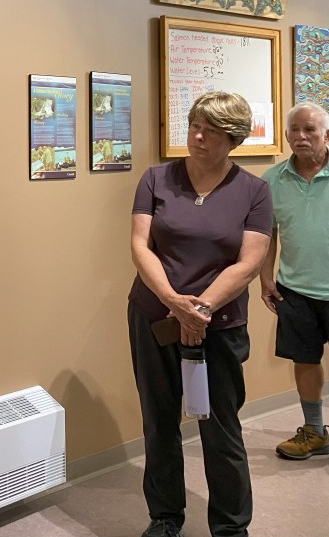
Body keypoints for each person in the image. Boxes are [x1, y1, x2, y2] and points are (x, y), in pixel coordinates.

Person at [128, 92, 272, 537]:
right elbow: (140, 245)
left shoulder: (254, 191)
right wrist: (174, 301)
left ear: (234, 140)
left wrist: (200, 310)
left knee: (220, 426)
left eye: (211, 131)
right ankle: (165, 518)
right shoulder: (156, 178)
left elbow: (249, 263)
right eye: (194, 126)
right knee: (159, 420)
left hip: (219, 325)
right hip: (154, 317)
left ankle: (230, 527)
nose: (198, 137)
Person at [259, 101, 329, 459]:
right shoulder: (272, 180)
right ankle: (314, 431)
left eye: (310, 129)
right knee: (304, 360)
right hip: (295, 290)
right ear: (286, 136)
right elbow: (266, 234)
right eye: (294, 130)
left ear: (326, 134)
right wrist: (265, 277)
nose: (301, 136)